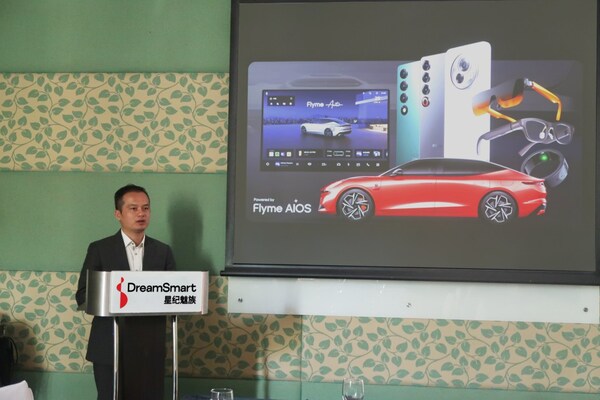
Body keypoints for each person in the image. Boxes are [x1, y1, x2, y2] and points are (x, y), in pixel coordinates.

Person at [76, 184, 176, 400]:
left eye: (146, 208)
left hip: (150, 349)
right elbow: (83, 295)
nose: (141, 213)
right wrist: (120, 297)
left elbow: (173, 297)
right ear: (118, 214)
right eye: (133, 208)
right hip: (109, 347)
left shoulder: (163, 252)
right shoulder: (99, 249)